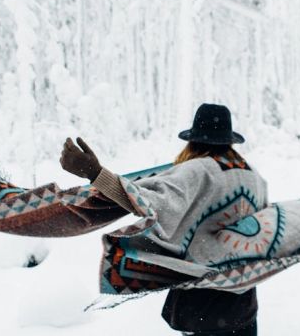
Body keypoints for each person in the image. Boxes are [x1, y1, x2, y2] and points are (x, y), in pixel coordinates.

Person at [60, 103, 264, 336]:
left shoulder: (195, 173)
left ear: (193, 142)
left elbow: (147, 202)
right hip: (243, 307)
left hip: (206, 310)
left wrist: (94, 172)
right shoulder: (250, 176)